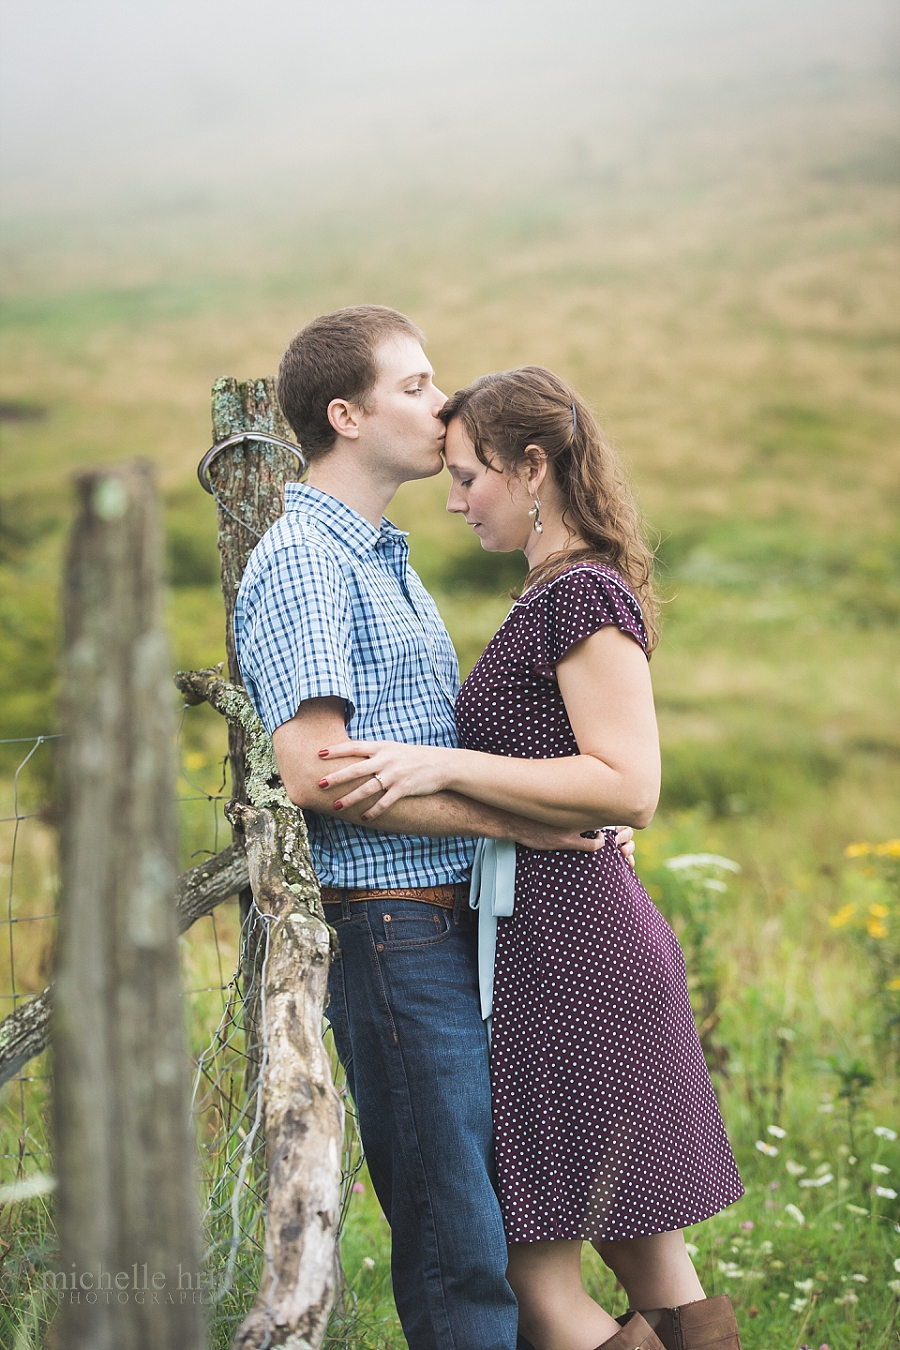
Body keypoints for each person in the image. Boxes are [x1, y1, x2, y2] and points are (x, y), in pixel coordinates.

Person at [317, 366, 745, 1350]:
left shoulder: (581, 593)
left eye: (470, 478)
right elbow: (569, 774)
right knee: (644, 1262)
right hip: (544, 942)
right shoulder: (552, 592)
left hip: (573, 956)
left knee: (540, 1271)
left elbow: (629, 782)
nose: (458, 501)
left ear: (534, 467)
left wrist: (437, 761)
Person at [234, 306, 634, 1350]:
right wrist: (518, 820)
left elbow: (423, 749)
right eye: (414, 386)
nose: (441, 400)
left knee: (511, 1226)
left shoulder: (381, 557)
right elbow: (321, 776)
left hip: (456, 923)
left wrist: (542, 810)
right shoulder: (304, 563)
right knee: (461, 1246)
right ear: (346, 415)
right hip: (390, 927)